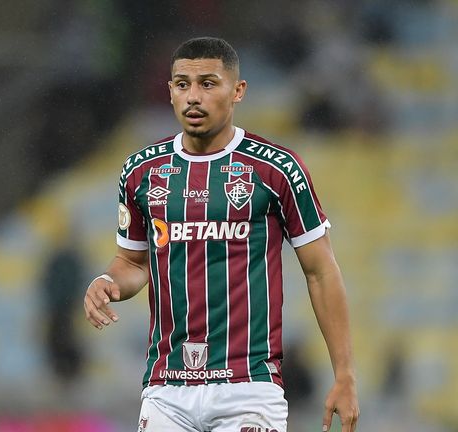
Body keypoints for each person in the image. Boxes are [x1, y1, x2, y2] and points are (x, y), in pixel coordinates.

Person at [83, 37, 359, 432]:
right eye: (183, 84)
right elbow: (132, 262)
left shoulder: (276, 169)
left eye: (208, 84)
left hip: (249, 387)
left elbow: (321, 271)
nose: (193, 96)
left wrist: (344, 374)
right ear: (171, 91)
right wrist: (107, 281)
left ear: (237, 91)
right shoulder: (142, 171)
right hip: (167, 389)